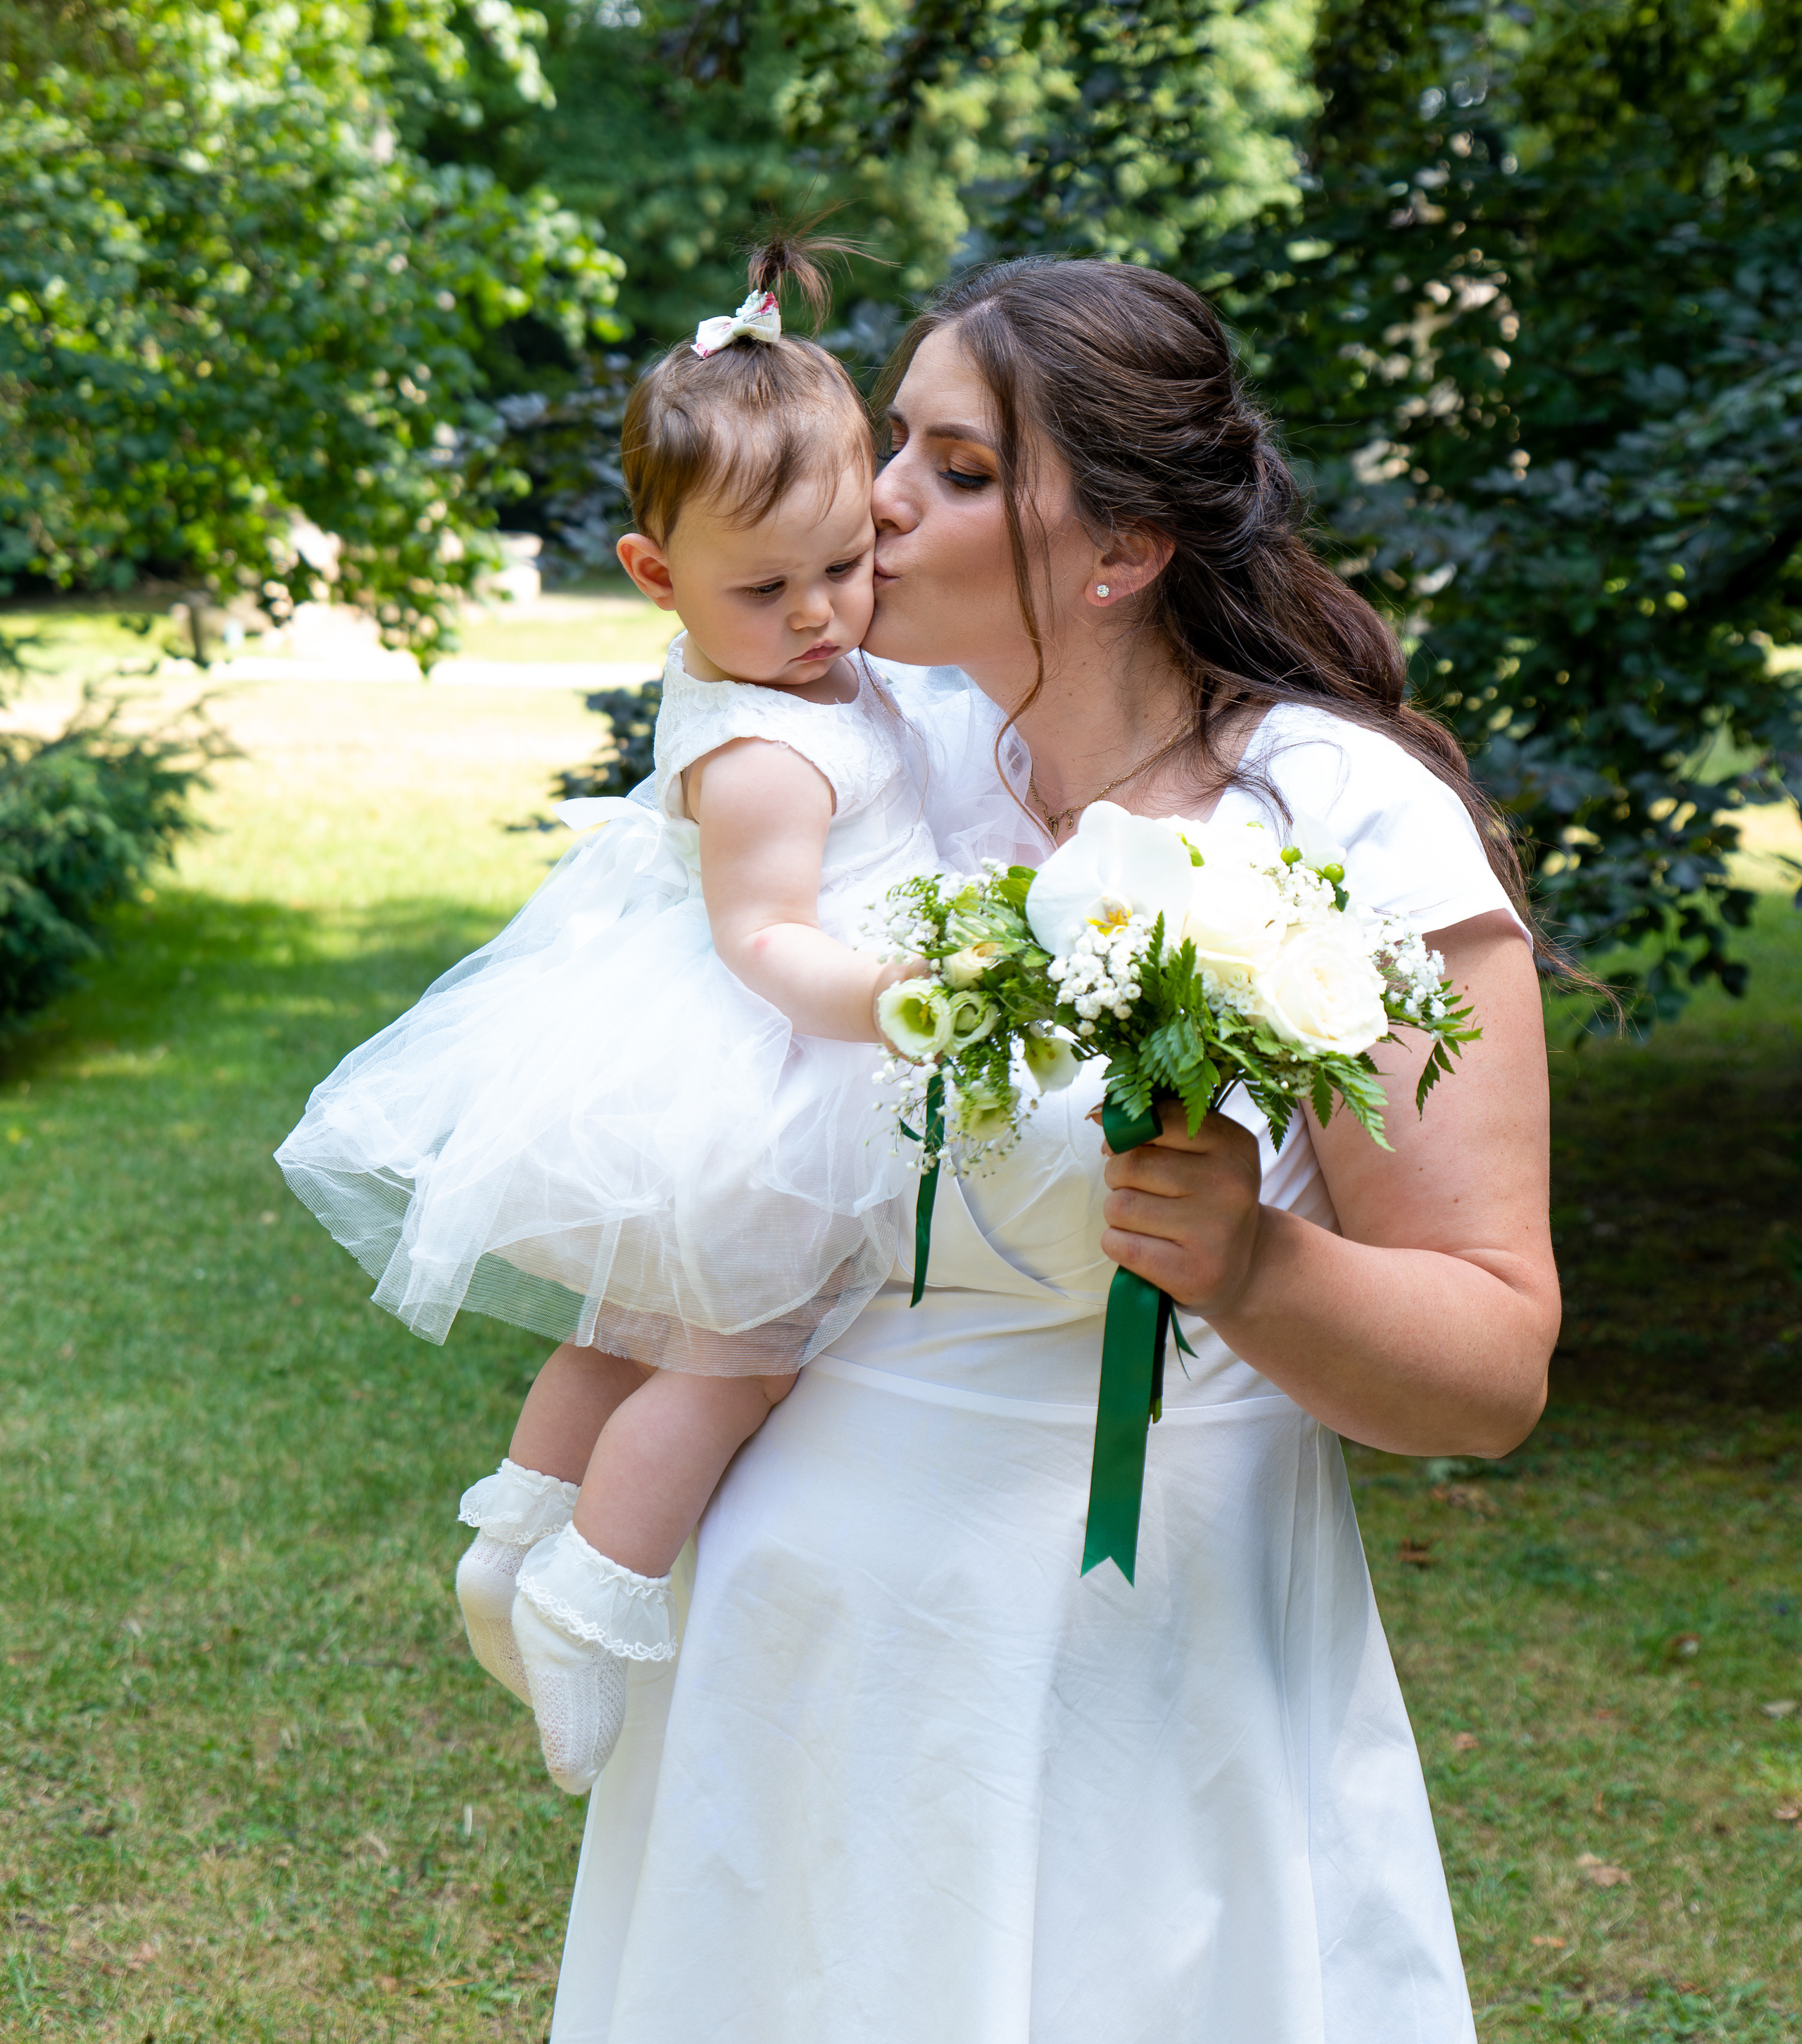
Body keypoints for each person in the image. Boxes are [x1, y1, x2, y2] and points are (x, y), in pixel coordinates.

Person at [546, 257, 1561, 2044]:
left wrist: (1251, 1260)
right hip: (798, 1646)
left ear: (1116, 551)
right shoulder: (874, 758)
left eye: (948, 466)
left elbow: (1488, 1369)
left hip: (1128, 1678)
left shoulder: (1337, 827)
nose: (871, 498)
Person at [276, 239, 939, 1794]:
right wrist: (889, 998)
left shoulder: (788, 665)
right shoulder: (768, 747)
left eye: (846, 566)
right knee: (731, 1354)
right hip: (779, 1050)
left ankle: (513, 1534)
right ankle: (596, 1592)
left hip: (682, 1048)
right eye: (765, 590)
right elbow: (765, 931)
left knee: (620, 1323)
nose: (825, 614)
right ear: (656, 578)